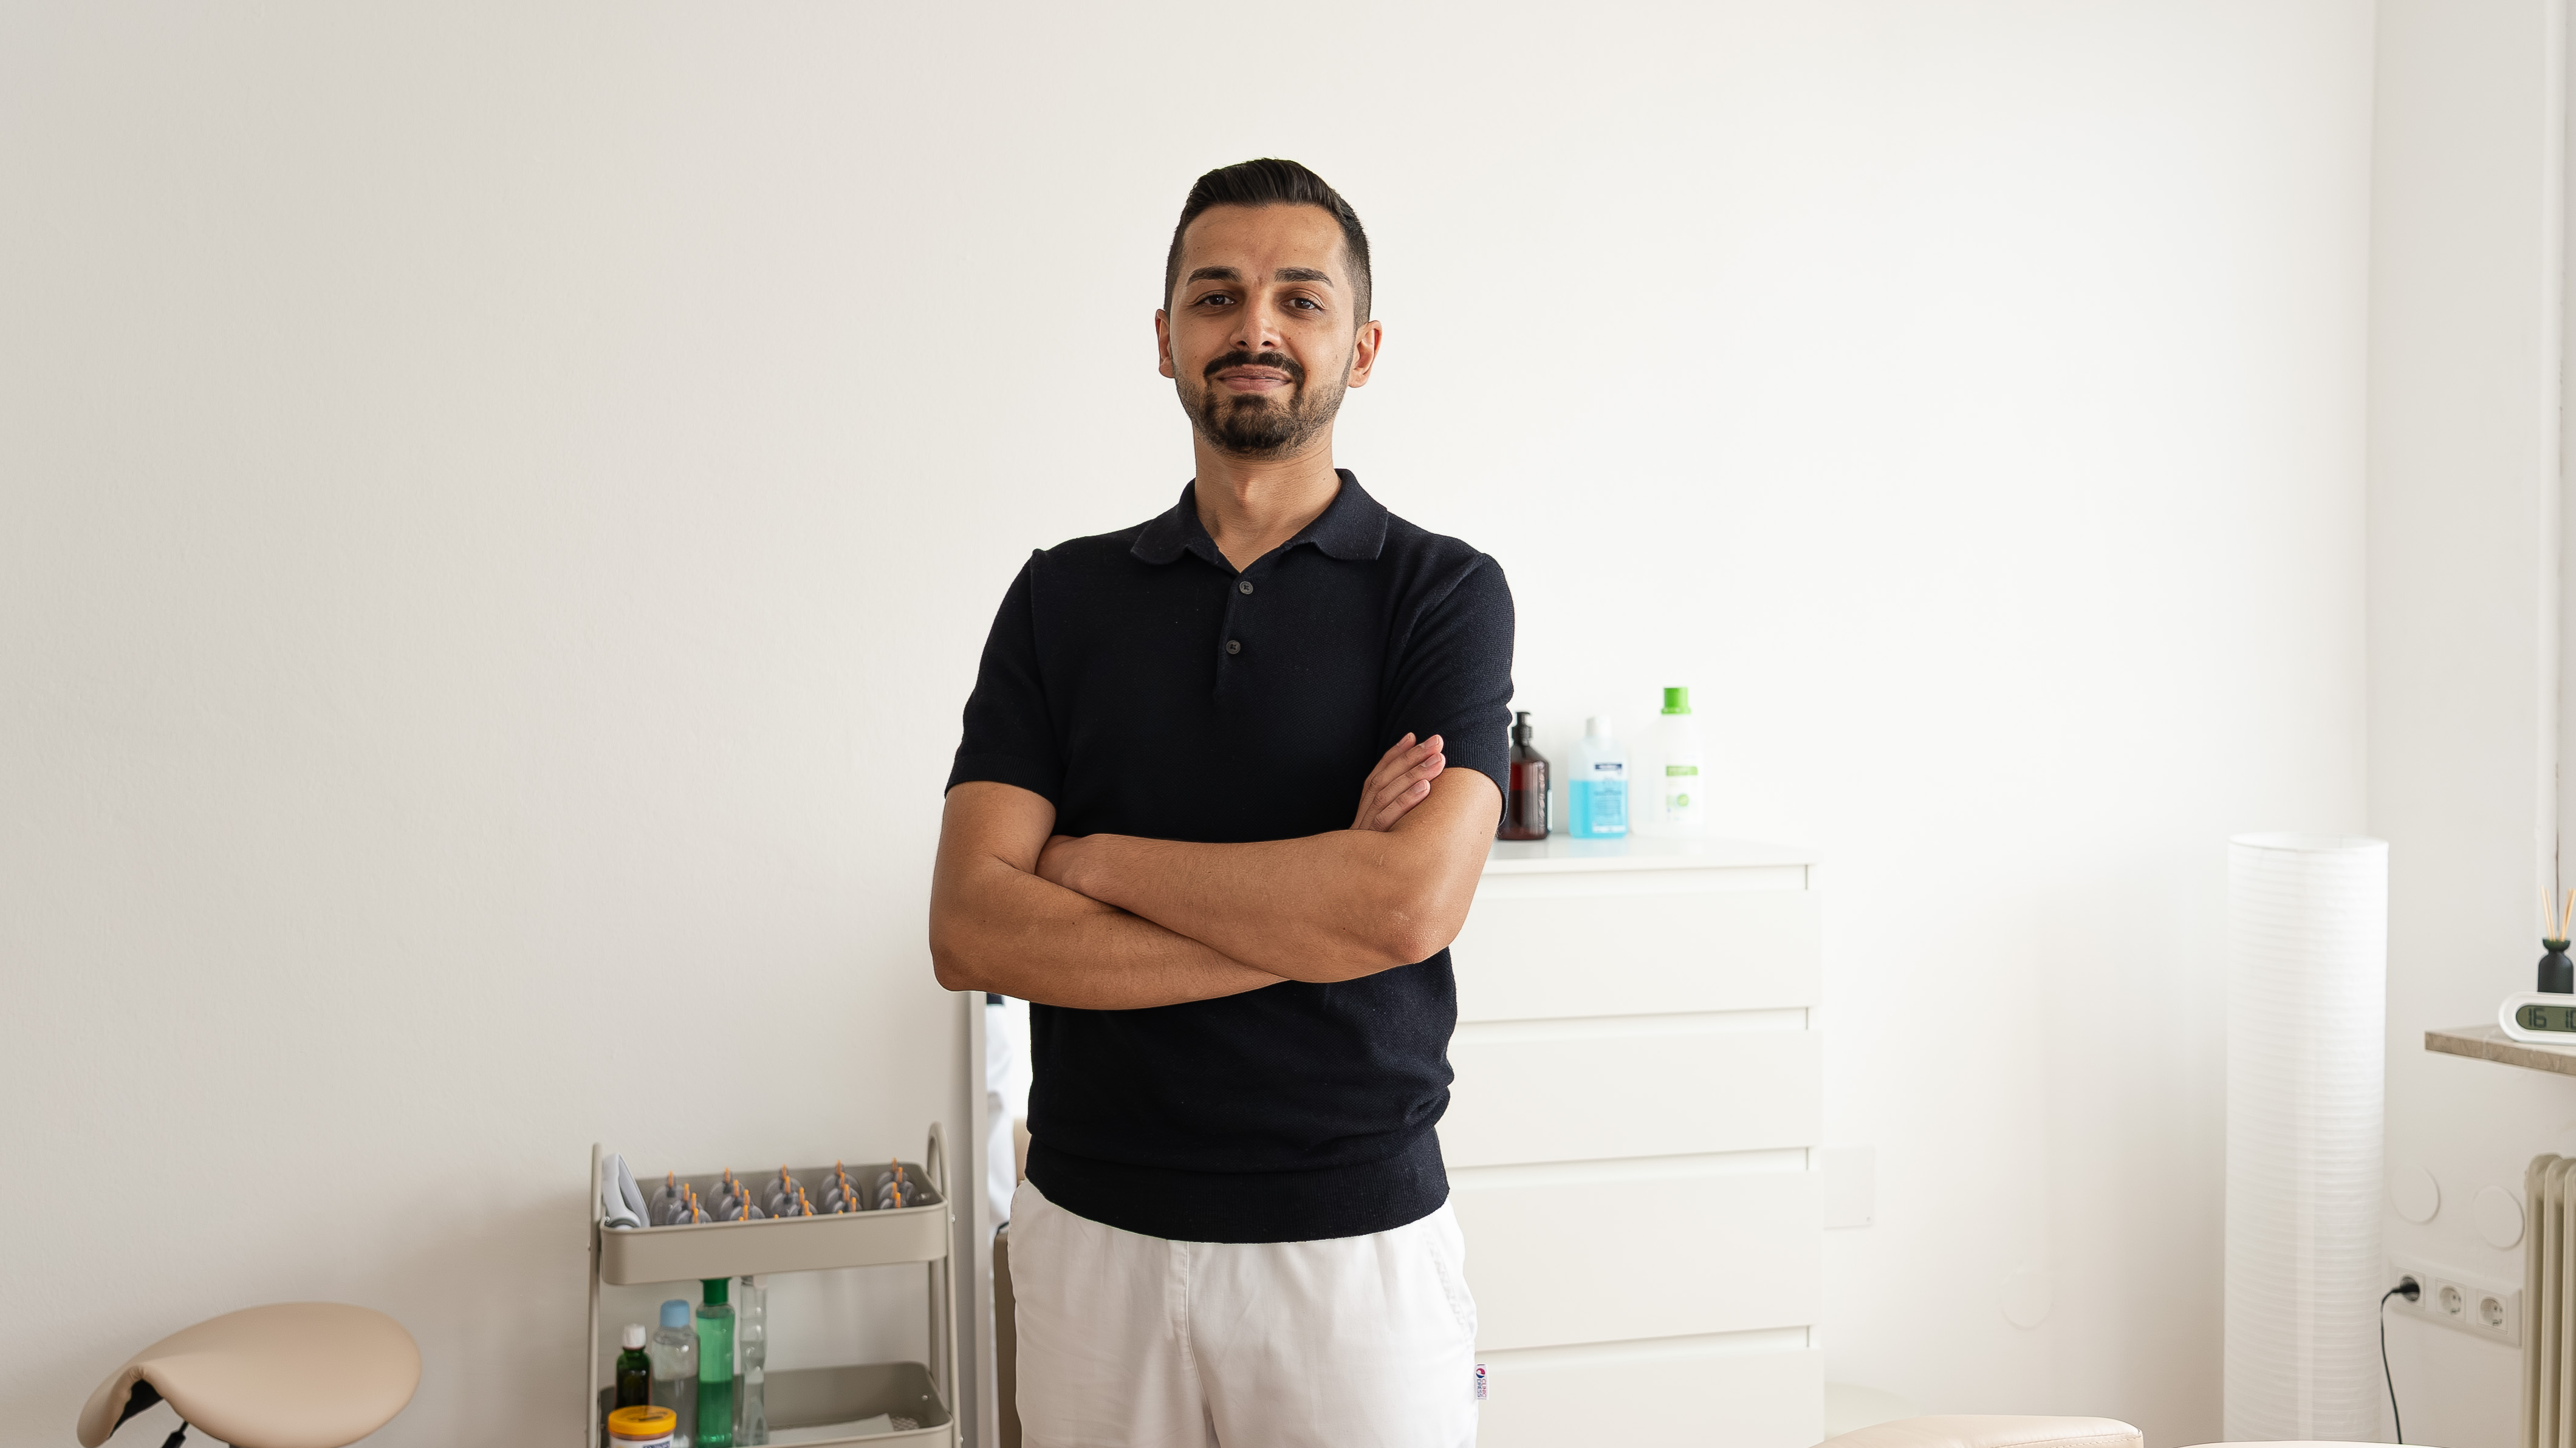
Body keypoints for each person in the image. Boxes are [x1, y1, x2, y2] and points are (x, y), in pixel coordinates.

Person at [929, 157, 1514, 1447]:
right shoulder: (1059, 599)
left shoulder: (1442, 593)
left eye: (1299, 300)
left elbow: (1407, 903)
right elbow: (970, 930)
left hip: (1352, 1246)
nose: (1255, 327)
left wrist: (1095, 860)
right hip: (1092, 1240)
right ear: (1164, 341)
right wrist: (1311, 905)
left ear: (1358, 349)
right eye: (1216, 295)